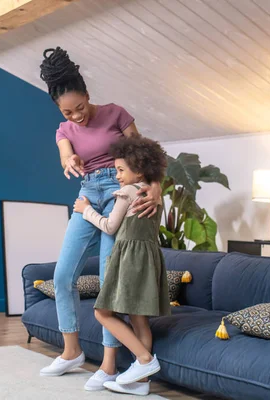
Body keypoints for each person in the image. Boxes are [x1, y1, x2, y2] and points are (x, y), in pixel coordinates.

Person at [38, 47, 163, 392]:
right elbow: (66, 152)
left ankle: (108, 365)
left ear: (89, 96)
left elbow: (145, 156)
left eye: (80, 107)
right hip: (88, 194)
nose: (77, 116)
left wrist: (155, 188)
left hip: (120, 189)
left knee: (109, 282)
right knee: (63, 275)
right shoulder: (64, 130)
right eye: (67, 111)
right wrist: (69, 160)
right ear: (58, 110)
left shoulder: (115, 114)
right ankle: (71, 351)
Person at [73, 136, 170, 396]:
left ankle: (145, 360)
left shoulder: (127, 192)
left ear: (138, 170)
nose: (116, 175)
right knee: (140, 320)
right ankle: (140, 384)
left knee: (102, 313)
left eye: (120, 170)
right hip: (149, 258)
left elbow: (109, 226)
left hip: (129, 259)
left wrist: (85, 210)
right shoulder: (155, 194)